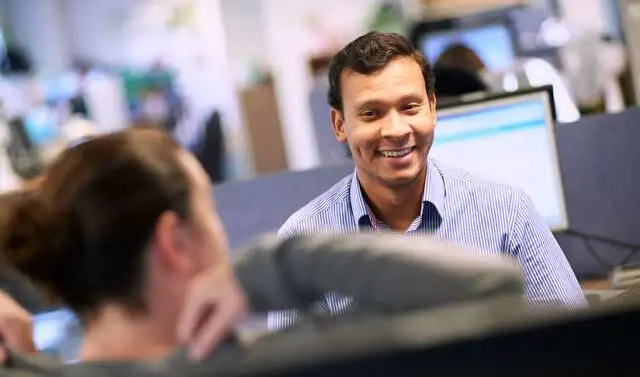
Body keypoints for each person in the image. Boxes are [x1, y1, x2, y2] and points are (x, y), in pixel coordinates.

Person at [0, 128, 524, 370]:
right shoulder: (272, 362)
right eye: (210, 214)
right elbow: (490, 286)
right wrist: (276, 264)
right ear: (173, 242)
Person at [269, 31, 586, 331]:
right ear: (340, 124)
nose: (395, 130)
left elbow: (574, 340)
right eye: (371, 113)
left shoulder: (505, 212)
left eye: (409, 107)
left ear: (432, 109)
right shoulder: (302, 244)